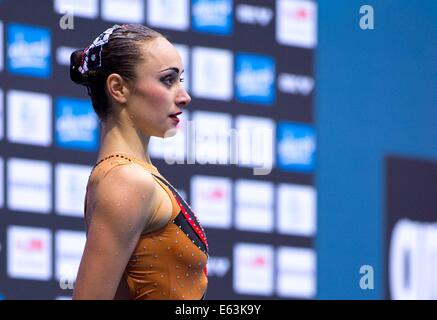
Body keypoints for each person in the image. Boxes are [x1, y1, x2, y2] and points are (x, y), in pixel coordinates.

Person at [69, 24, 208, 300]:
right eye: (168, 80)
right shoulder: (127, 181)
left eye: (181, 79)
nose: (184, 96)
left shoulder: (128, 175)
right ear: (118, 88)